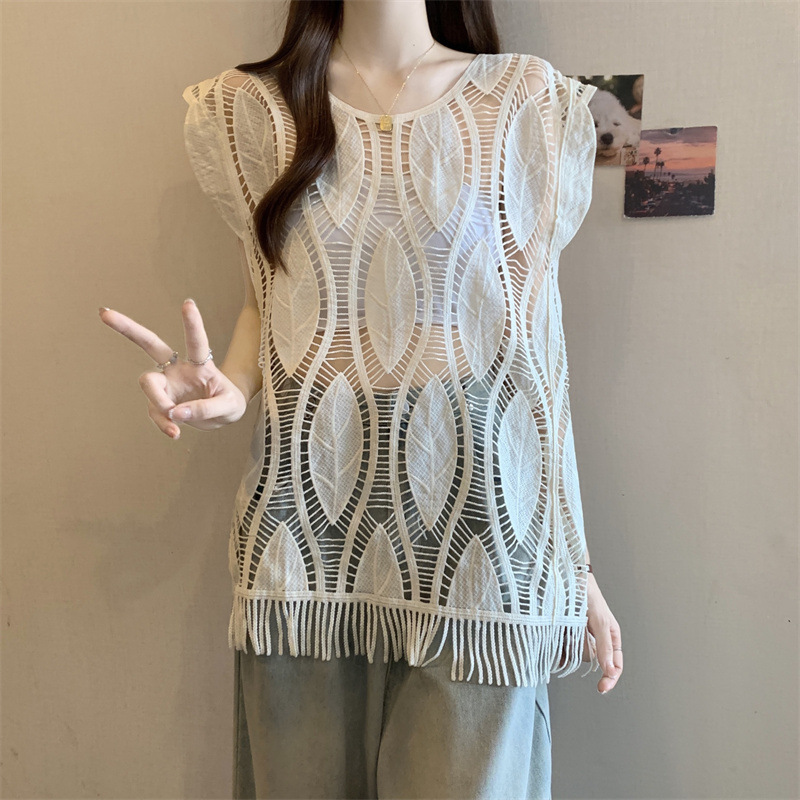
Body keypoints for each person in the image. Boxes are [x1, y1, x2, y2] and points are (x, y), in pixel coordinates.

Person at [99, 1, 623, 797]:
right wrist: (229, 387)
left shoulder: (525, 100)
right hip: (307, 526)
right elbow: (269, 300)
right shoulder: (251, 109)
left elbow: (536, 356)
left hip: (482, 533)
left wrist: (571, 559)